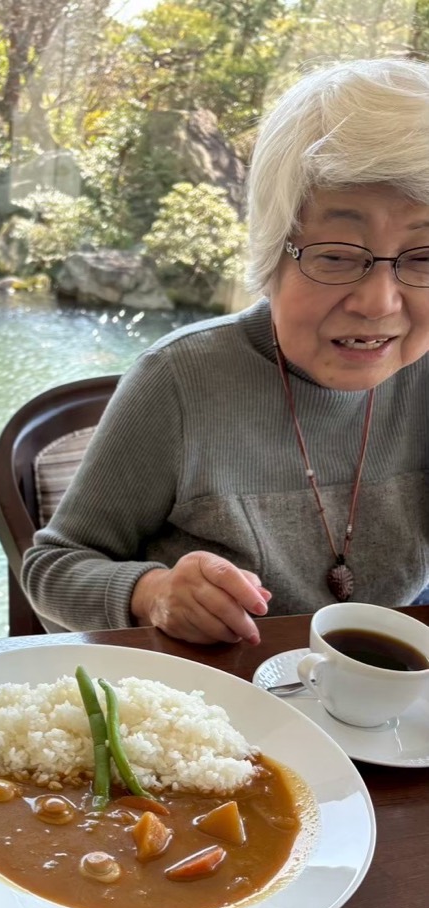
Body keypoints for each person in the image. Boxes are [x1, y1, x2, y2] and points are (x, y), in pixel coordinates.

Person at [23, 57, 429, 646]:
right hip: (217, 708)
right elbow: (54, 568)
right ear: (270, 256)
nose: (378, 302)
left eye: (422, 257)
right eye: (336, 255)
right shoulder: (182, 381)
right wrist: (152, 594)